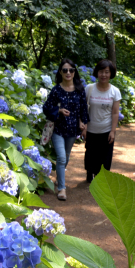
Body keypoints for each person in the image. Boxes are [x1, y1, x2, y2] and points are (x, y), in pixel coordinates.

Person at [43, 58, 89, 201]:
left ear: (74, 72)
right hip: (58, 129)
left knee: (66, 156)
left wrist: (84, 126)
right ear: (60, 72)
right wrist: (59, 110)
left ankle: (59, 176)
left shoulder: (80, 90)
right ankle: (62, 188)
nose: (68, 72)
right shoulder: (56, 90)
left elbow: (83, 110)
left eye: (71, 70)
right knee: (61, 157)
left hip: (72, 130)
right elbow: (46, 108)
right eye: (65, 70)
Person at [82, 59, 122, 182]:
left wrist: (113, 131)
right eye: (101, 72)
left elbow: (115, 113)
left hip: (106, 129)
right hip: (91, 128)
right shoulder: (89, 88)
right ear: (97, 73)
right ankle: (90, 172)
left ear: (111, 74)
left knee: (105, 156)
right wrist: (83, 127)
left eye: (106, 72)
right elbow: (83, 109)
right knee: (91, 154)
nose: (103, 75)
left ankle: (100, 178)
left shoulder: (115, 91)